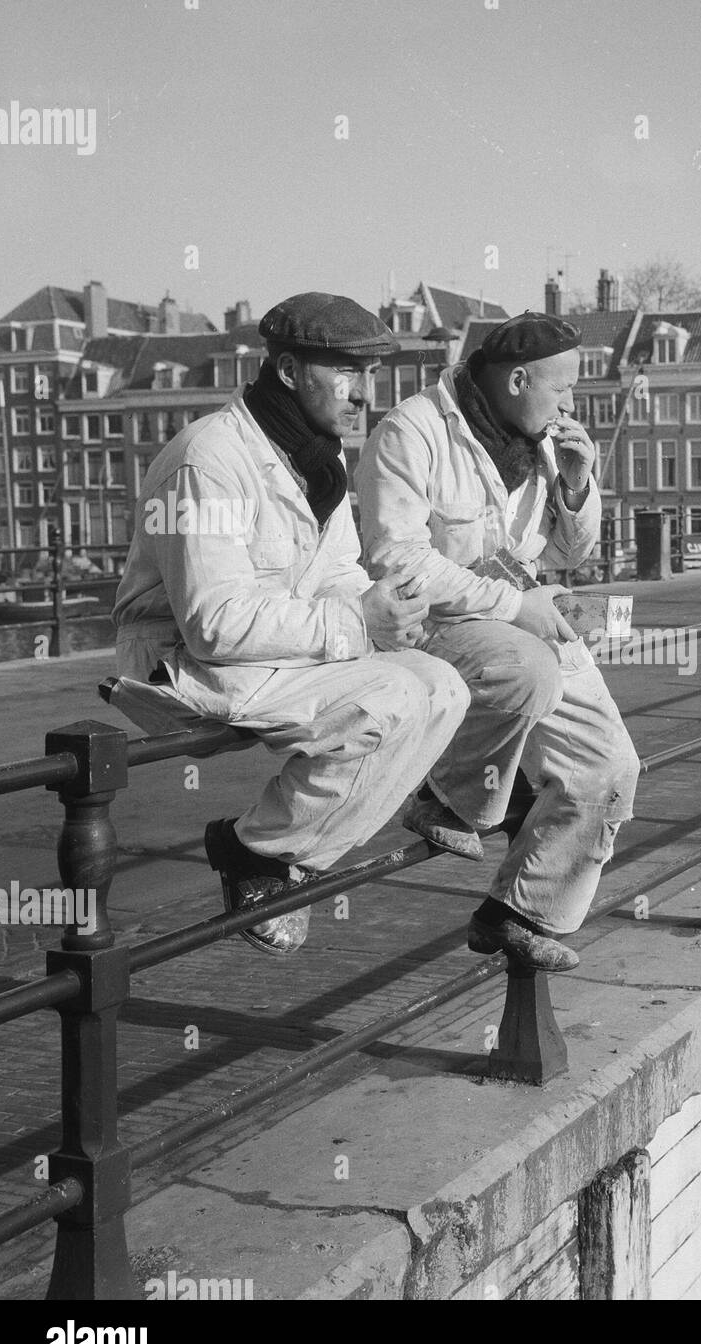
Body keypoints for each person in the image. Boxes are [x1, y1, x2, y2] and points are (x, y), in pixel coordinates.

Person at [110, 293, 478, 958]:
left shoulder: (313, 458)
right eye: (347, 373)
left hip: (276, 650)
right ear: (287, 371)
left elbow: (336, 572)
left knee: (443, 685)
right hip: (188, 664)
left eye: (369, 376)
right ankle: (256, 851)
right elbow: (213, 624)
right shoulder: (209, 462)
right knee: (388, 701)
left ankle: (293, 856)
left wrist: (384, 610)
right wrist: (357, 623)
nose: (365, 394)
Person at [357, 311, 641, 974]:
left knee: (610, 767)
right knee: (527, 670)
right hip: (439, 627)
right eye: (563, 388)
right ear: (517, 379)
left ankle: (515, 913)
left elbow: (570, 551)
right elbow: (396, 560)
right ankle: (445, 796)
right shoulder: (412, 432)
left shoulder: (538, 440)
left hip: (524, 616)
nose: (571, 403)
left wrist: (576, 481)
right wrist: (515, 604)